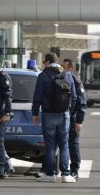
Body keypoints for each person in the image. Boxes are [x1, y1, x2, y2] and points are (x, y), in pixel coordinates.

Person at [32, 52, 77, 183]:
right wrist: (69, 110)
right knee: (64, 144)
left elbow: (37, 97)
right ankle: (66, 174)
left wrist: (35, 113)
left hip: (48, 114)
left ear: (47, 62)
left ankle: (50, 174)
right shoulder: (67, 75)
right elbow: (74, 96)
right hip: (64, 114)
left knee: (50, 145)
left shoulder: (43, 75)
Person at [62, 59, 87, 180]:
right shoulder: (60, 78)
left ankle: (75, 170)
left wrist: (79, 121)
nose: (63, 70)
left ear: (71, 69)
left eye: (65, 67)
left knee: (73, 144)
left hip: (72, 118)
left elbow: (82, 102)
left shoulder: (76, 81)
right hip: (61, 116)